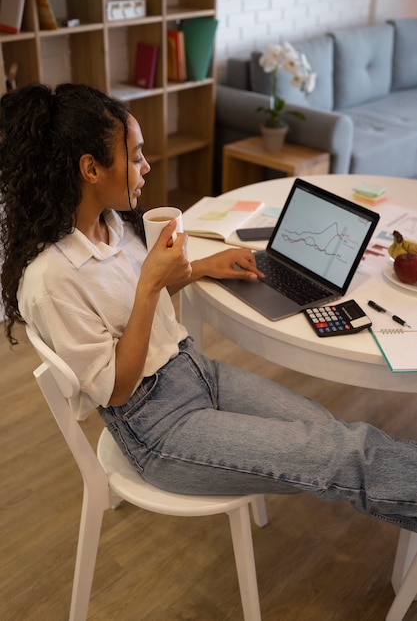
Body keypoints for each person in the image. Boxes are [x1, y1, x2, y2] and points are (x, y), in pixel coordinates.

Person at [1, 83, 417, 535]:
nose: (147, 166)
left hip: (194, 370)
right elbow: (117, 389)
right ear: (91, 169)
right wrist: (149, 286)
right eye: (136, 156)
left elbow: (130, 303)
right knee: (345, 454)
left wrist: (203, 267)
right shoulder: (51, 280)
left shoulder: (113, 224)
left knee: (337, 436)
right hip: (157, 427)